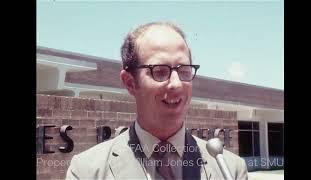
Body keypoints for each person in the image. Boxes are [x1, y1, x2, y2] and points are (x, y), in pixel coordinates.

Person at [66, 22, 248, 180]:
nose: (176, 84)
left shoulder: (231, 170)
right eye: (160, 71)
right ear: (130, 83)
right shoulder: (87, 171)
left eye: (184, 70)